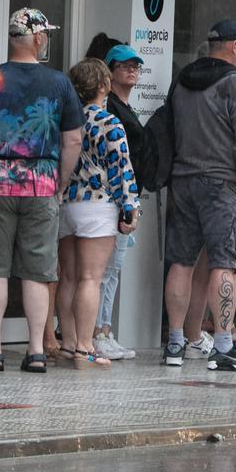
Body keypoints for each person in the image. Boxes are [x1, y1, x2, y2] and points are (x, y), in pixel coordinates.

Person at [0, 8, 82, 374]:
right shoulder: (59, 83)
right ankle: (35, 352)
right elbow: (73, 138)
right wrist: (60, 181)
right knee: (37, 271)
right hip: (42, 184)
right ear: (40, 39)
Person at [162, 20, 236, 371]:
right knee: (224, 264)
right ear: (235, 46)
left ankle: (175, 343)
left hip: (183, 180)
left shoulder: (182, 81)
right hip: (222, 184)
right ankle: (223, 345)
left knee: (181, 262)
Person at [59, 58, 139, 369]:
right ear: (104, 86)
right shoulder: (110, 122)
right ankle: (85, 345)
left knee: (67, 277)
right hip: (97, 203)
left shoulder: (65, 119)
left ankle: (67, 342)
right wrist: (129, 207)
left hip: (67, 200)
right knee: (91, 278)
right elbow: (122, 170)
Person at [94, 43, 150, 360]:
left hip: (127, 198)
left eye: (136, 65)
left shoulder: (125, 109)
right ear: (110, 70)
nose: (131, 69)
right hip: (114, 199)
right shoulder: (110, 110)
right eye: (124, 65)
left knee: (113, 269)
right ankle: (97, 331)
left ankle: (104, 328)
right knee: (105, 269)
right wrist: (126, 201)